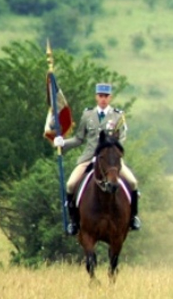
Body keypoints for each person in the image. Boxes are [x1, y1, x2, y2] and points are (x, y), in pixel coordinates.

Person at [53, 83, 141, 235]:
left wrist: (112, 151)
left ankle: (133, 218)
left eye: (106, 96)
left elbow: (121, 139)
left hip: (111, 161)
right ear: (96, 97)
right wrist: (63, 143)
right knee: (70, 184)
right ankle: (74, 222)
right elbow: (79, 139)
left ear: (110, 97)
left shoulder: (117, 116)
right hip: (89, 158)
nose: (103, 99)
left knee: (133, 182)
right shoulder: (87, 115)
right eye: (100, 96)